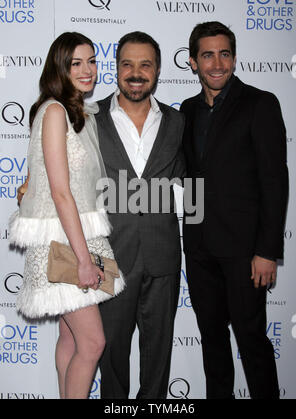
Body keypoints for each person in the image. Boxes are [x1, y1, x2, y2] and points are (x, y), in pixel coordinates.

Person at [9, 32, 125, 399]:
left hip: (77, 236)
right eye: (77, 63)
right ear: (59, 67)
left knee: (69, 336)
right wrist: (82, 260)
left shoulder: (76, 112)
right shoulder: (56, 110)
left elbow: (43, 176)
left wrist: (27, 185)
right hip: (64, 244)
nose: (89, 69)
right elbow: (60, 193)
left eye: (92, 60)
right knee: (92, 343)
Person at [180, 21, 288, 399]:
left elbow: (275, 181)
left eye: (224, 54)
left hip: (245, 252)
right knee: (211, 341)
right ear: (193, 62)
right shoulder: (188, 110)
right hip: (198, 248)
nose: (217, 63)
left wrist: (267, 250)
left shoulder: (260, 103)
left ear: (235, 58)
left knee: (252, 340)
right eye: (207, 55)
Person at [95, 31, 185, 399]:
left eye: (145, 64)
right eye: (127, 64)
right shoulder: (88, 118)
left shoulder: (178, 122)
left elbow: (188, 180)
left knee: (158, 355)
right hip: (108, 258)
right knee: (111, 354)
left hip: (163, 256)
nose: (136, 72)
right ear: (116, 69)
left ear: (158, 70)